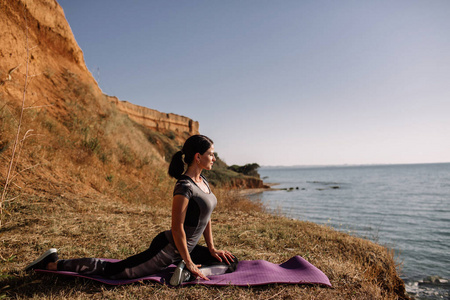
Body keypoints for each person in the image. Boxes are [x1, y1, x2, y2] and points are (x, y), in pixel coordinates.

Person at [25, 135, 238, 285]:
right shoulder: (184, 186)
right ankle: (53, 263)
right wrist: (189, 261)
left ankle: (186, 271)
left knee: (229, 261)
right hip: (168, 250)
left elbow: (206, 217)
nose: (214, 158)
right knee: (116, 271)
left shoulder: (204, 182)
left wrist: (211, 249)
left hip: (186, 250)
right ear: (198, 157)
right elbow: (177, 227)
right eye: (211, 154)